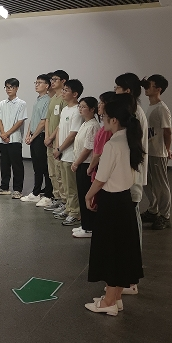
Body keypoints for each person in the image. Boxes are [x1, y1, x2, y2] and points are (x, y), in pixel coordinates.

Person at [84, 97, 145, 316]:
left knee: (110, 250)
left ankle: (109, 301)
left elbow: (101, 178)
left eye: (104, 117)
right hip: (124, 200)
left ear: (114, 120)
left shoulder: (112, 145)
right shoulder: (130, 140)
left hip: (111, 202)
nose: (103, 120)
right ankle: (115, 297)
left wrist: (88, 196)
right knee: (122, 249)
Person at [115, 72, 148, 259]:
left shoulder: (135, 113)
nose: (115, 91)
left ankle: (134, 263)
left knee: (133, 220)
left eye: (117, 87)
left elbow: (133, 147)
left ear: (127, 90)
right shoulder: (132, 111)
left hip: (132, 173)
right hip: (127, 173)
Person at [141, 74, 172, 230]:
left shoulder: (162, 109)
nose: (146, 88)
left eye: (150, 85)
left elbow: (168, 132)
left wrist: (166, 150)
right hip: (148, 151)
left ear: (158, 89)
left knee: (161, 185)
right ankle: (153, 211)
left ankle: (165, 216)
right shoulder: (151, 107)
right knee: (148, 183)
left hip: (157, 153)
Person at [53, 79, 84, 225]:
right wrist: (57, 148)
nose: (63, 92)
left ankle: (75, 212)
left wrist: (60, 149)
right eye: (63, 90)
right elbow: (60, 129)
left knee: (72, 186)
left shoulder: (77, 111)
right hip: (62, 153)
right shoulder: (65, 109)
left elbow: (72, 135)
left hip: (71, 154)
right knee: (65, 184)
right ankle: (68, 207)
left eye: (66, 90)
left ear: (75, 94)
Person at [0, 78, 27, 199]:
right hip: (3, 139)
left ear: (17, 88)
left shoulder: (21, 103)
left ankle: (17, 189)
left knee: (17, 165)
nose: (9, 89)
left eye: (11, 87)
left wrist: (7, 134)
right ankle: (4, 187)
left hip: (15, 139)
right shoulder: (2, 103)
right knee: (4, 164)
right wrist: (3, 134)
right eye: (7, 87)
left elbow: (20, 121)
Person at [70, 97, 99, 238]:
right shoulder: (85, 123)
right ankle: (85, 224)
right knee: (81, 194)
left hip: (86, 164)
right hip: (81, 163)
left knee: (86, 195)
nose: (80, 109)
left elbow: (88, 148)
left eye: (83, 107)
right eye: (79, 106)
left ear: (92, 109)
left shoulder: (93, 125)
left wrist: (76, 163)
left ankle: (89, 228)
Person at [40, 70, 69, 210]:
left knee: (60, 173)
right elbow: (47, 119)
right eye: (51, 80)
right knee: (52, 172)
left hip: (58, 142)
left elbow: (61, 123)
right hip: (49, 142)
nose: (52, 82)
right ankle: (57, 198)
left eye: (55, 79)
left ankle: (64, 201)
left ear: (63, 81)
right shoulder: (52, 99)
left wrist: (52, 137)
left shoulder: (64, 99)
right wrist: (47, 136)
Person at [21, 74, 52, 202]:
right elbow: (33, 119)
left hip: (40, 136)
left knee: (44, 167)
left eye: (40, 82)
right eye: (36, 82)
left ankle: (48, 194)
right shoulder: (38, 99)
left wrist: (33, 137)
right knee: (36, 167)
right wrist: (28, 134)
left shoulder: (48, 100)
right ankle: (36, 192)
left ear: (47, 85)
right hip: (34, 136)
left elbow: (43, 122)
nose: (36, 85)